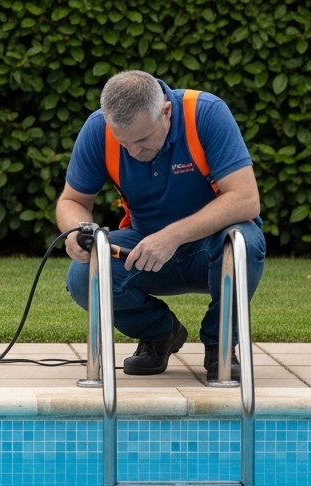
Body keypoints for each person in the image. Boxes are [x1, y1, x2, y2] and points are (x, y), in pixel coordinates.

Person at [55, 70, 265, 379]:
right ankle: (159, 333)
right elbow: (71, 201)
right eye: (123, 143)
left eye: (141, 140)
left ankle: (220, 344)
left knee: (244, 242)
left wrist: (173, 235)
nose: (134, 152)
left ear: (165, 111)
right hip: (145, 247)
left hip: (212, 247)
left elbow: (246, 199)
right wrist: (77, 231)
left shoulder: (205, 113)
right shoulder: (97, 129)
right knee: (83, 277)